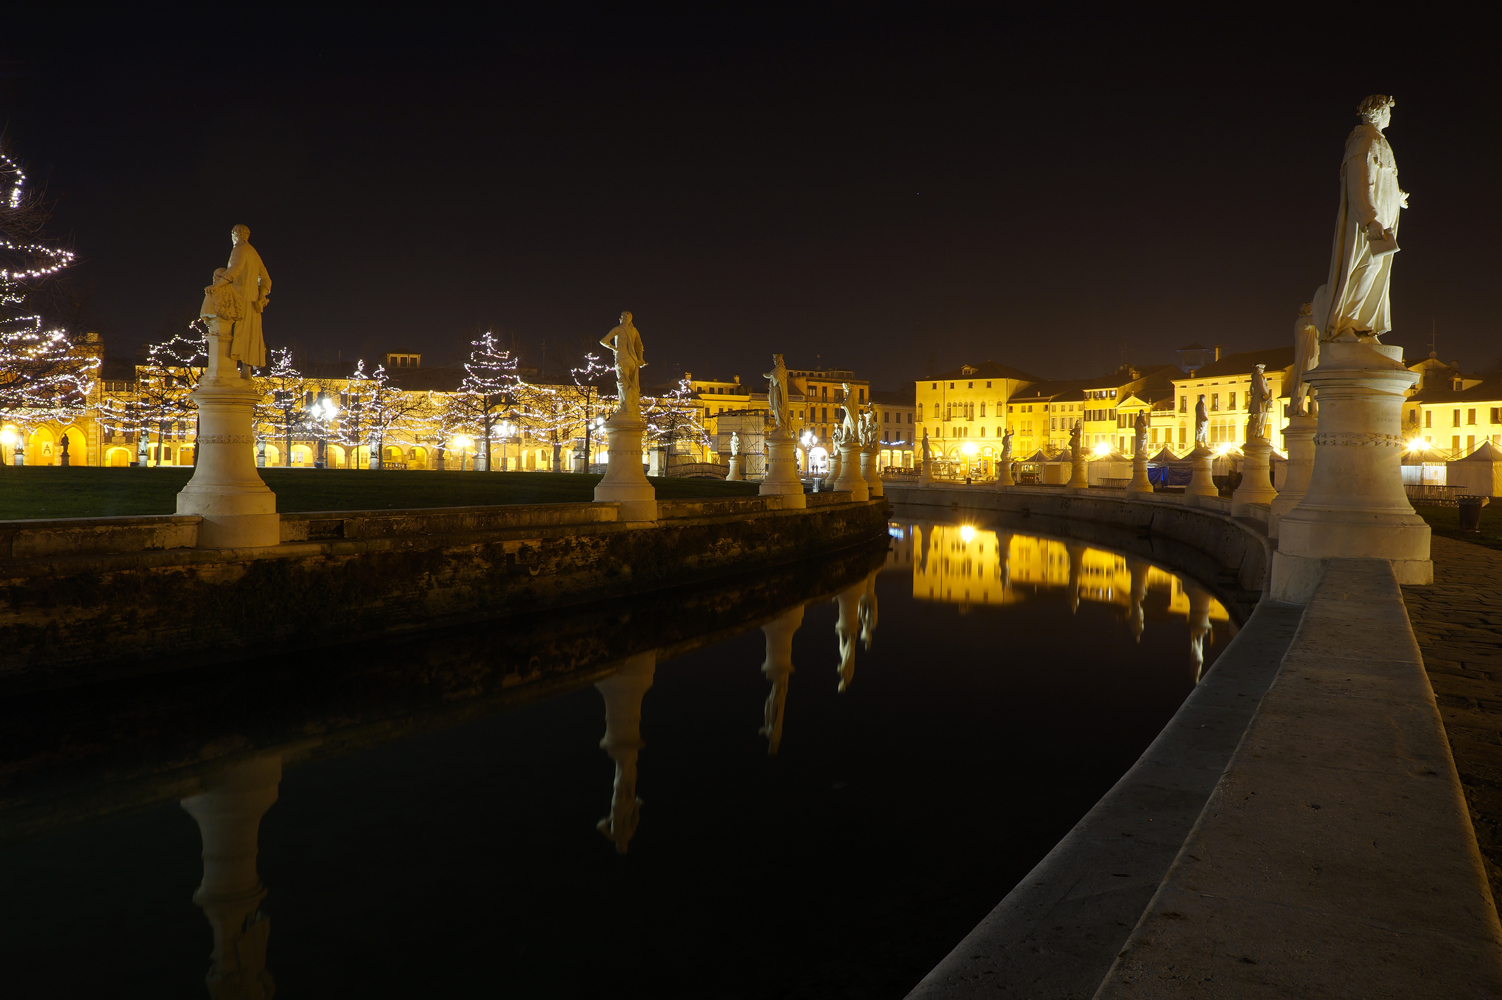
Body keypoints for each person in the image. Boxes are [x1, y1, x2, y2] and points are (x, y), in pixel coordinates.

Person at [1317, 95, 1409, 343]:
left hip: (1384, 216)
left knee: (1376, 268)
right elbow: (1359, 182)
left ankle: (1363, 326)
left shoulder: (1379, 141)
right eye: (1388, 111)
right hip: (1369, 220)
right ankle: (1346, 325)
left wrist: (1397, 197)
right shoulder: (1364, 139)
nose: (1390, 116)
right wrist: (1369, 218)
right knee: (1365, 266)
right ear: (1378, 113)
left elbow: (1383, 179)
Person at [218, 225, 271, 371]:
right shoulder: (253, 252)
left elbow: (234, 270)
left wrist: (217, 286)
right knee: (251, 335)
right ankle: (246, 372)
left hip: (239, 298)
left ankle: (228, 371)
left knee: (235, 332)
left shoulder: (239, 249)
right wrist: (260, 297)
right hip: (253, 301)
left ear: (235, 235)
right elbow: (266, 279)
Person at [599, 311, 645, 417]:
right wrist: (641, 359)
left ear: (622, 318)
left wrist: (614, 349)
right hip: (633, 361)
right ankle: (628, 406)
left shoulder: (618, 329)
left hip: (622, 359)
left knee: (622, 383)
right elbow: (639, 345)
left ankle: (627, 407)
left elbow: (603, 341)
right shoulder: (634, 330)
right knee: (632, 384)